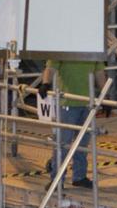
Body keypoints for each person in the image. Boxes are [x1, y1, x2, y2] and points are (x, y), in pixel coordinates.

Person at [41, 58, 107, 189]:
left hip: (88, 103)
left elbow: (99, 72)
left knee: (82, 143)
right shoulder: (65, 47)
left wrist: (105, 95)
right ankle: (57, 179)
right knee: (62, 143)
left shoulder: (93, 50)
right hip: (67, 103)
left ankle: (79, 176)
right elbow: (51, 68)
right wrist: (46, 83)